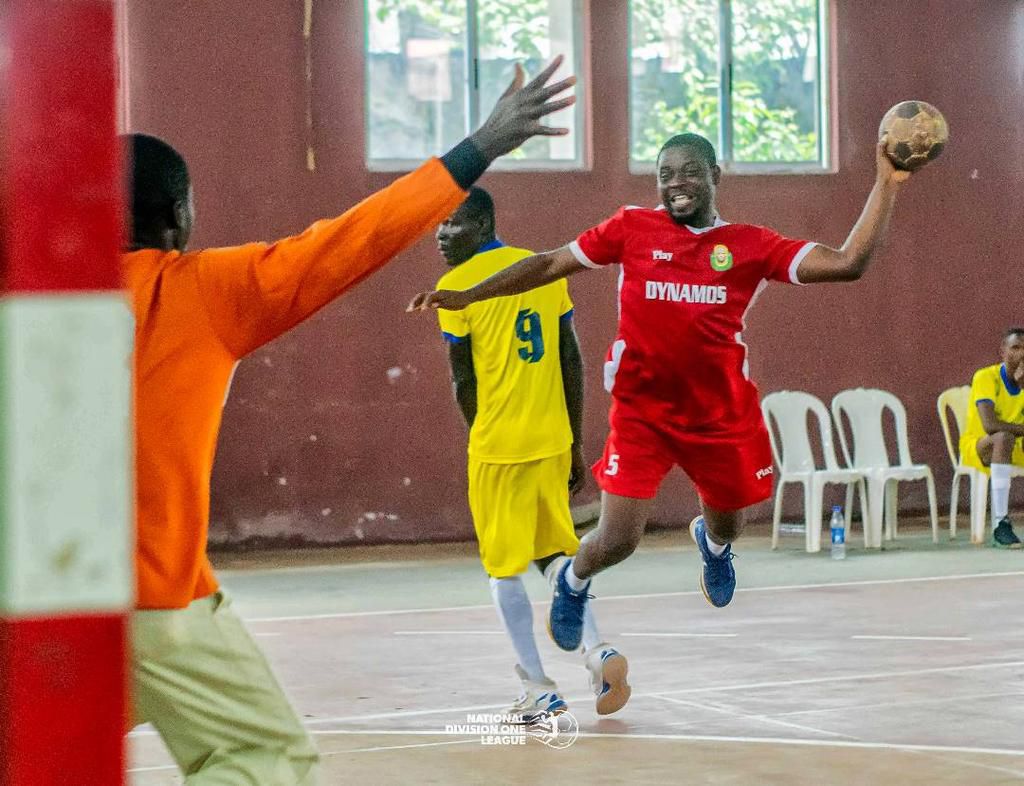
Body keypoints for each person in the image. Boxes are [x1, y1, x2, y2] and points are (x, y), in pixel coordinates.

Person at [124, 58, 575, 783]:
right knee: (262, 760)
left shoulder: (33, 300)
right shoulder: (202, 291)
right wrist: (478, 147)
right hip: (158, 610)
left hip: (33, 606)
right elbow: (351, 241)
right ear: (179, 218)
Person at [410, 131, 914, 652]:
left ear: (716, 176)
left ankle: (714, 546)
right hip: (642, 413)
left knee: (730, 524)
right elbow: (545, 264)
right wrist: (469, 294)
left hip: (718, 415)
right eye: (666, 174)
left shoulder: (749, 245)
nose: (677, 184)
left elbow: (848, 262)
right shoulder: (631, 229)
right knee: (618, 540)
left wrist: (886, 182)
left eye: (690, 171)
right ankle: (573, 581)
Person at [432, 187, 630, 719]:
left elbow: (462, 381)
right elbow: (572, 361)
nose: (441, 235)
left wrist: (482, 436)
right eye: (438, 225)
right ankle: (597, 650)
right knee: (556, 556)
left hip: (499, 447)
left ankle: (538, 688)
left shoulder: (454, 287)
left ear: (481, 224)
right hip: (550, 440)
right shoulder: (544, 272)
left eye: (452, 224)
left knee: (503, 568)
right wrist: (574, 440)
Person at [960, 328, 1024, 547]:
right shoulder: (986, 377)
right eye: (1016, 348)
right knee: (1002, 437)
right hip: (980, 445)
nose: (1021, 354)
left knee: (1007, 438)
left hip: (1015, 445)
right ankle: (1001, 523)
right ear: (1003, 352)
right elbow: (990, 426)